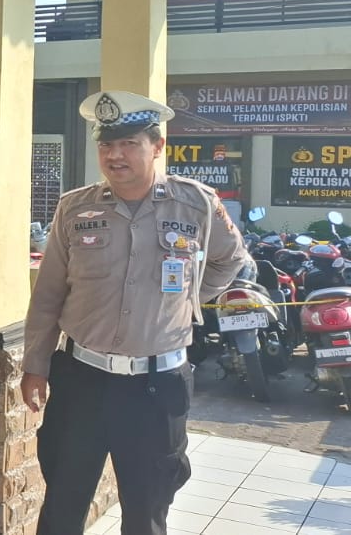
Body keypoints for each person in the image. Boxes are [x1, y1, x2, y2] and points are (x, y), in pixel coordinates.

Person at [23, 91, 246, 535]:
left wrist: (186, 302)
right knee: (62, 505)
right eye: (106, 144)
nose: (115, 155)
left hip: (156, 388)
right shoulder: (75, 207)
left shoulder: (196, 204)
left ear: (157, 146)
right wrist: (35, 366)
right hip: (82, 381)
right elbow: (48, 295)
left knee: (146, 514)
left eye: (129, 143)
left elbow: (231, 259)